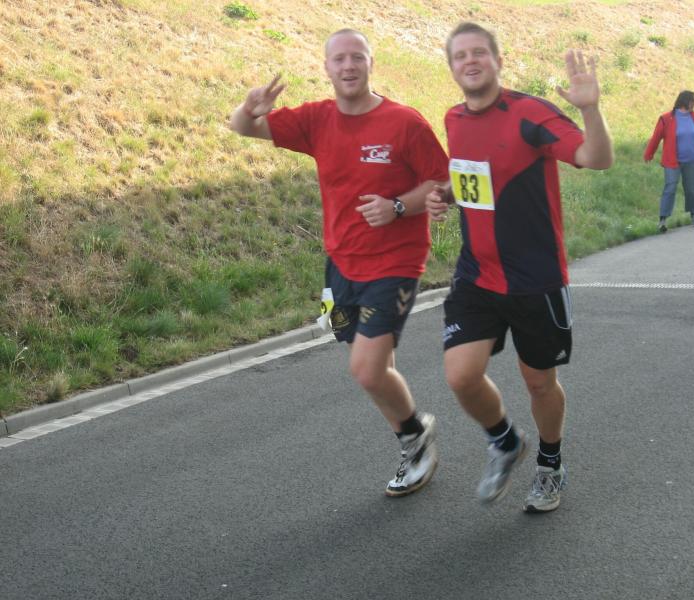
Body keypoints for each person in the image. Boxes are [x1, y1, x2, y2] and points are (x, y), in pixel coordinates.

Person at [230, 29, 449, 497]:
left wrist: (396, 207)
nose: (348, 66)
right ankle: (412, 437)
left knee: (367, 370)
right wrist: (249, 109)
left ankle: (415, 437)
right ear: (327, 68)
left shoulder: (404, 122)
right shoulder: (316, 119)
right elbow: (243, 128)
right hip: (340, 265)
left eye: (357, 57)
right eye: (339, 59)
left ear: (371, 63)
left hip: (395, 263)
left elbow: (441, 183)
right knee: (365, 359)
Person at [426, 22, 613, 512]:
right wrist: (445, 193)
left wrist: (590, 110)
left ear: (498, 61)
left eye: (479, 53)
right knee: (461, 375)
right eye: (460, 55)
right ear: (452, 68)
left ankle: (550, 464)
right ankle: (506, 441)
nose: (470, 61)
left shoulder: (531, 113)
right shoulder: (453, 118)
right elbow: (472, 173)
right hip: (477, 274)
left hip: (535, 280)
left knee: (538, 382)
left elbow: (596, 158)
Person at [644, 90, 694, 232]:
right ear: (685, 102)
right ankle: (663, 220)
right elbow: (656, 137)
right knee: (670, 188)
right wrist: (649, 153)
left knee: (691, 189)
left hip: (691, 161)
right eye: (693, 101)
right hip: (672, 161)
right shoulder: (666, 119)